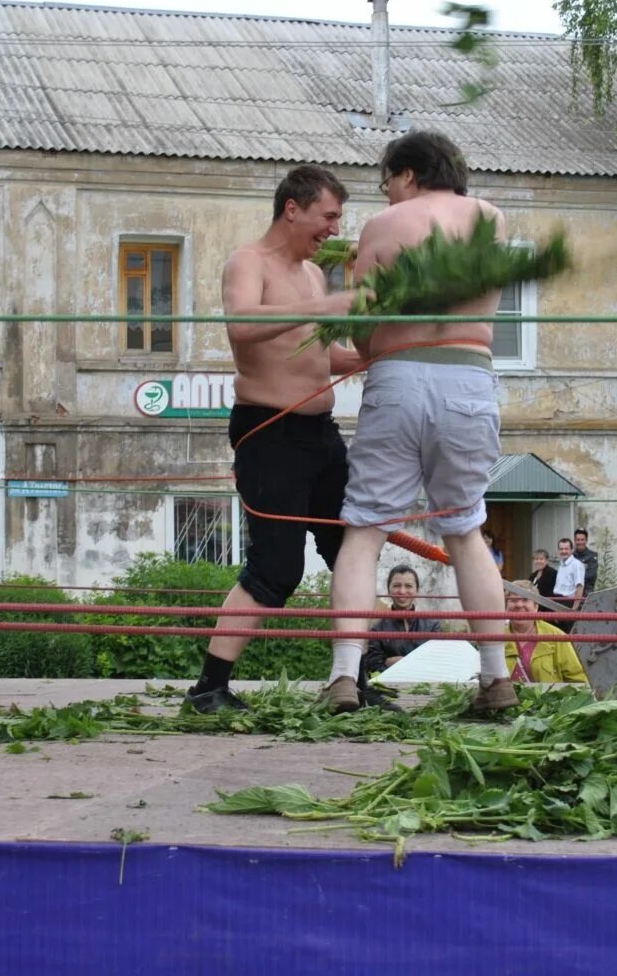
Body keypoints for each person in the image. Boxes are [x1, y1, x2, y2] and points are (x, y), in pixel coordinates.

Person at [325, 130, 515, 715]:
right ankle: (497, 679)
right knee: (464, 528)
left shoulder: (386, 227)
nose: (385, 196)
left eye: (386, 182)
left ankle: (343, 680)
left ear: (407, 174)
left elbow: (361, 332)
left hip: (400, 375)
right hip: (468, 373)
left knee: (364, 529)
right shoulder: (492, 219)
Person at [184, 166, 376, 713]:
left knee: (351, 551)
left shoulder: (314, 275)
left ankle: (350, 680)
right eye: (329, 216)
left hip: (321, 433)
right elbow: (242, 326)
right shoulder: (249, 263)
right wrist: (329, 308)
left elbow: (315, 356)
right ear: (293, 208)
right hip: (268, 432)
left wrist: (375, 356)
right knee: (277, 568)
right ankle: (209, 689)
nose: (334, 230)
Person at [360, 565, 444, 677]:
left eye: (408, 586)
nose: (402, 591)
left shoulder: (432, 627)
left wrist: (394, 662)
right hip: (390, 689)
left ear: (417, 590)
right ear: (388, 589)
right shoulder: (377, 630)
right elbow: (372, 665)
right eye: (396, 586)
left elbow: (438, 661)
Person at [503, 581, 587, 684]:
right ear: (506, 606)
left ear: (536, 606)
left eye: (525, 600)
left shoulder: (557, 637)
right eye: (513, 600)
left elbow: (578, 680)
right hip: (506, 700)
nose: (519, 604)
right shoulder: (495, 638)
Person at [552, 537, 587, 607]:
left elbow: (580, 587)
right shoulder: (561, 565)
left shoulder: (577, 565)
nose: (563, 551)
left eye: (566, 549)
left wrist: (574, 608)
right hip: (557, 601)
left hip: (568, 603)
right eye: (561, 549)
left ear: (572, 550)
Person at [571, 528, 599, 596]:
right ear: (574, 541)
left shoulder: (592, 556)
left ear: (586, 540)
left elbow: (590, 576)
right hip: (571, 593)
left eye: (582, 540)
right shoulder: (570, 556)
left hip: (586, 595)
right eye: (578, 540)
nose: (580, 542)